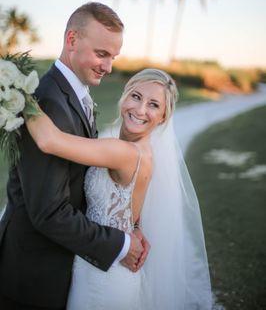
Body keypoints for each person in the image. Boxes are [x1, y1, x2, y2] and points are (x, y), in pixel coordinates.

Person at [0, 2, 147, 310]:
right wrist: (119, 245)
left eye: (113, 57)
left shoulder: (74, 92)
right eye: (101, 54)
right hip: (33, 274)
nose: (108, 66)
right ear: (72, 41)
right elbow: (48, 212)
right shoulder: (48, 101)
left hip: (59, 263)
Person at [26, 68, 212, 310]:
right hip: (105, 263)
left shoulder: (124, 152)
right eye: (136, 96)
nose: (141, 110)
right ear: (124, 96)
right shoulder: (140, 150)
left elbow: (49, 141)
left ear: (164, 117)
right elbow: (127, 209)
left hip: (103, 278)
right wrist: (134, 227)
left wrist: (18, 92)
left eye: (154, 105)